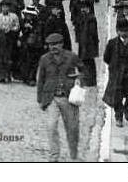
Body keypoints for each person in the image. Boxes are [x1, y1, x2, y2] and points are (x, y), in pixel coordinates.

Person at [36, 32, 85, 162]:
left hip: (68, 98)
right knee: (51, 126)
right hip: (51, 98)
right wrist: (40, 99)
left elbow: (83, 70)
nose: (53, 47)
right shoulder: (44, 59)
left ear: (62, 44)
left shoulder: (71, 57)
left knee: (72, 128)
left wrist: (79, 81)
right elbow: (40, 79)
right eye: (50, 45)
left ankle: (74, 156)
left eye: (56, 44)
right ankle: (54, 156)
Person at [103, 19, 128, 126]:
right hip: (117, 74)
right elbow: (106, 58)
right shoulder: (112, 43)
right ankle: (118, 116)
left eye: (126, 30)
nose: (124, 33)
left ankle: (126, 109)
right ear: (117, 31)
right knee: (117, 96)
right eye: (122, 31)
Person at [0, 2, 20, 83]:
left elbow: (17, 26)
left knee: (9, 56)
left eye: (6, 7)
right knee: (0, 57)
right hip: (0, 39)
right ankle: (1, 75)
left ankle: (9, 74)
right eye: (3, 7)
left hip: (10, 38)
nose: (4, 9)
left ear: (9, 8)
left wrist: (11, 29)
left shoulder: (14, 16)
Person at [75, 0, 99, 87]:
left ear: (88, 8)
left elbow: (92, 33)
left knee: (88, 62)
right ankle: (88, 79)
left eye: (84, 8)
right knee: (86, 61)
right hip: (84, 44)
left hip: (89, 44)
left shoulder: (91, 18)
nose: (82, 9)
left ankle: (90, 80)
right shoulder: (83, 18)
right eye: (82, 8)